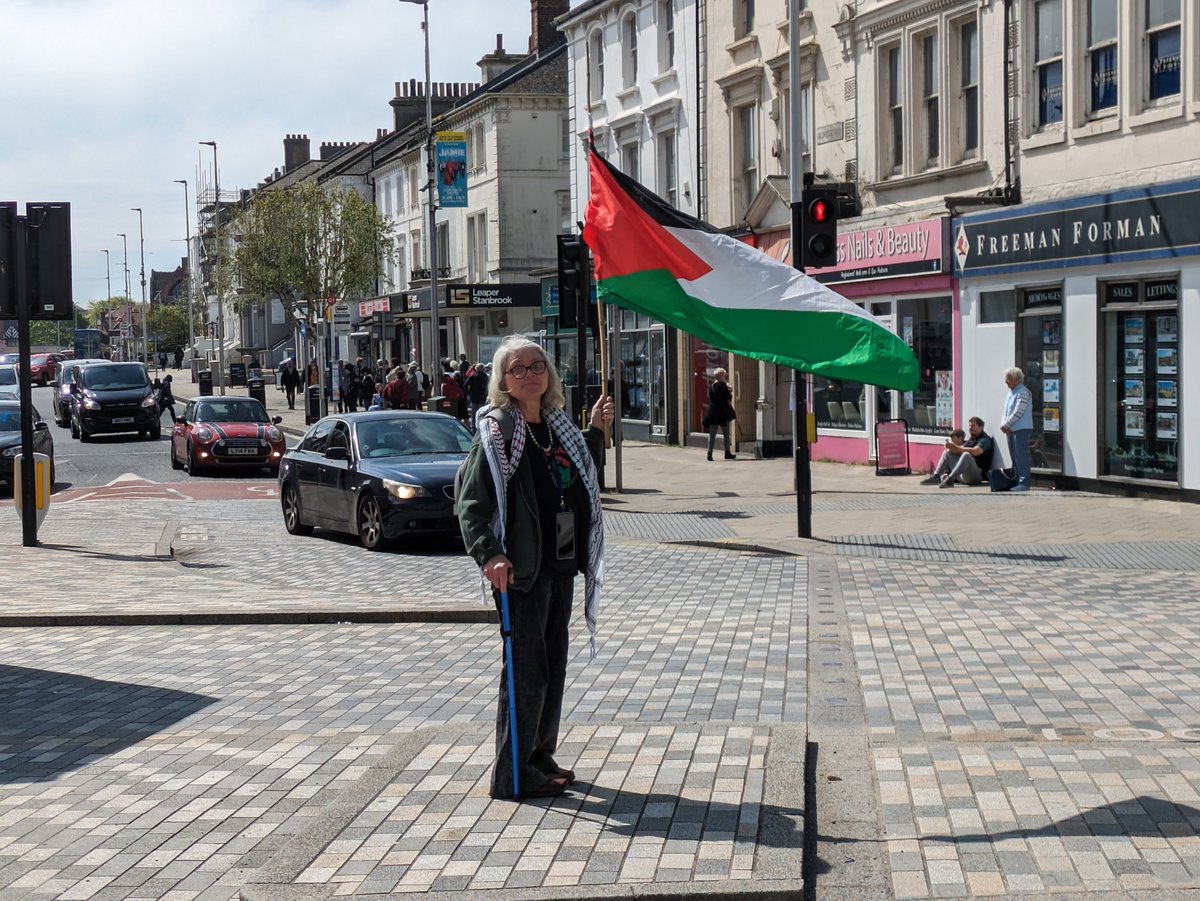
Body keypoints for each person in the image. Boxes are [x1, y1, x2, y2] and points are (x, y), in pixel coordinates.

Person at [456, 336, 614, 801]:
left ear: (549, 375)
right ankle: (514, 776)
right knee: (527, 672)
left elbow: (573, 478)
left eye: (537, 366)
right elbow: (470, 504)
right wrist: (489, 553)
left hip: (561, 566)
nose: (529, 375)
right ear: (503, 381)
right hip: (522, 572)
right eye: (517, 369)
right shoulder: (497, 432)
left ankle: (539, 757)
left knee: (553, 666)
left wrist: (597, 433)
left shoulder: (556, 426)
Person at [920, 417, 994, 487]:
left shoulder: (985, 440)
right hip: (963, 475)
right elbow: (960, 450)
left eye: (973, 426)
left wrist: (955, 447)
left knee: (966, 455)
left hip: (975, 476)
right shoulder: (971, 440)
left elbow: (975, 451)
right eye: (970, 426)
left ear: (981, 427)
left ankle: (950, 480)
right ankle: (936, 476)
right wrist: (951, 448)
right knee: (947, 453)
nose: (971, 428)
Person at [1000, 367, 1034, 492]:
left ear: (1015, 379)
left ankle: (1024, 483)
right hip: (1011, 429)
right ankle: (1017, 480)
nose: (1006, 381)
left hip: (1021, 429)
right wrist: (1004, 424)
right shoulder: (1011, 393)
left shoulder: (1023, 392)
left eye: (1008, 379)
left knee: (1021, 456)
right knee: (1014, 456)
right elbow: (1006, 411)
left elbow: (1018, 411)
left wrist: (1006, 425)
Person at [702, 367, 736, 461]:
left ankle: (709, 453)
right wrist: (729, 389)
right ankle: (727, 452)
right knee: (726, 434)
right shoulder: (723, 386)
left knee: (712, 434)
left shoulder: (711, 387)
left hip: (713, 412)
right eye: (724, 375)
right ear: (721, 376)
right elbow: (728, 397)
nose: (725, 376)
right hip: (722, 412)